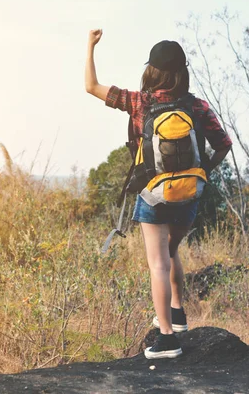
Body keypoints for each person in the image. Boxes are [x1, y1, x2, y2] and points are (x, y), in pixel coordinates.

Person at [84, 29, 232, 359]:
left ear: (151, 71)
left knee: (158, 265)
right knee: (171, 251)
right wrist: (203, 172)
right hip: (189, 195)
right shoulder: (197, 107)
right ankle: (177, 314)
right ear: (182, 73)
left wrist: (90, 47)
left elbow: (91, 87)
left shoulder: (139, 102)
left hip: (152, 195)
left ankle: (166, 339)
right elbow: (224, 144)